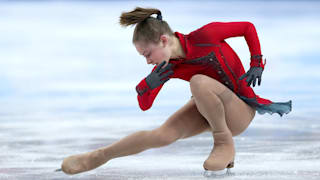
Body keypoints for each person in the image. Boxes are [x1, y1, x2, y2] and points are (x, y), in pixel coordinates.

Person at [59, 7, 292, 175]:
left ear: (163, 40)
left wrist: (256, 62)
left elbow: (247, 28)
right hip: (208, 107)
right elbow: (145, 105)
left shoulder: (205, 36)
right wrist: (147, 85)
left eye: (147, 54)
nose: (148, 62)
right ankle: (98, 156)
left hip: (240, 109)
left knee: (198, 82)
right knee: (161, 135)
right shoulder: (167, 67)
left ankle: (223, 143)